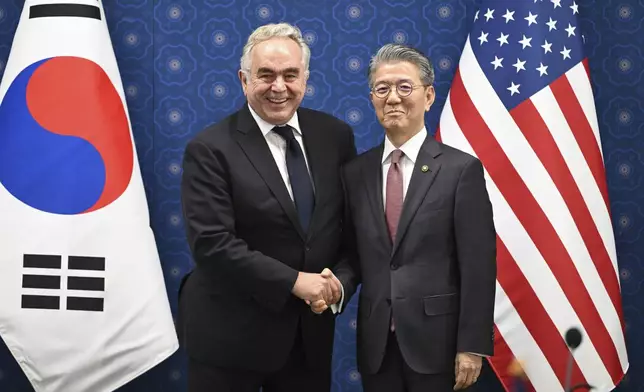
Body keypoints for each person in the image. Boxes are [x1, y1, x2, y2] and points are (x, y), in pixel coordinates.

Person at [178, 22, 355, 392]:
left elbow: (351, 230)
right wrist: (295, 282)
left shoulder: (335, 136)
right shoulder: (210, 148)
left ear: (305, 78)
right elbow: (212, 244)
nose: (279, 87)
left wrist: (338, 284)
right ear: (244, 80)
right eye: (266, 75)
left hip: (308, 340)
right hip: (229, 339)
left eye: (291, 75)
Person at [316, 43, 497, 392]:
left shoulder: (461, 170)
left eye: (404, 87)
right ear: (372, 98)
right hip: (377, 346)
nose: (393, 98)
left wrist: (471, 345)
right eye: (382, 89)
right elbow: (356, 254)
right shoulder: (355, 172)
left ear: (428, 96)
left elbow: (479, 265)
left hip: (440, 347)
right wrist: (336, 286)